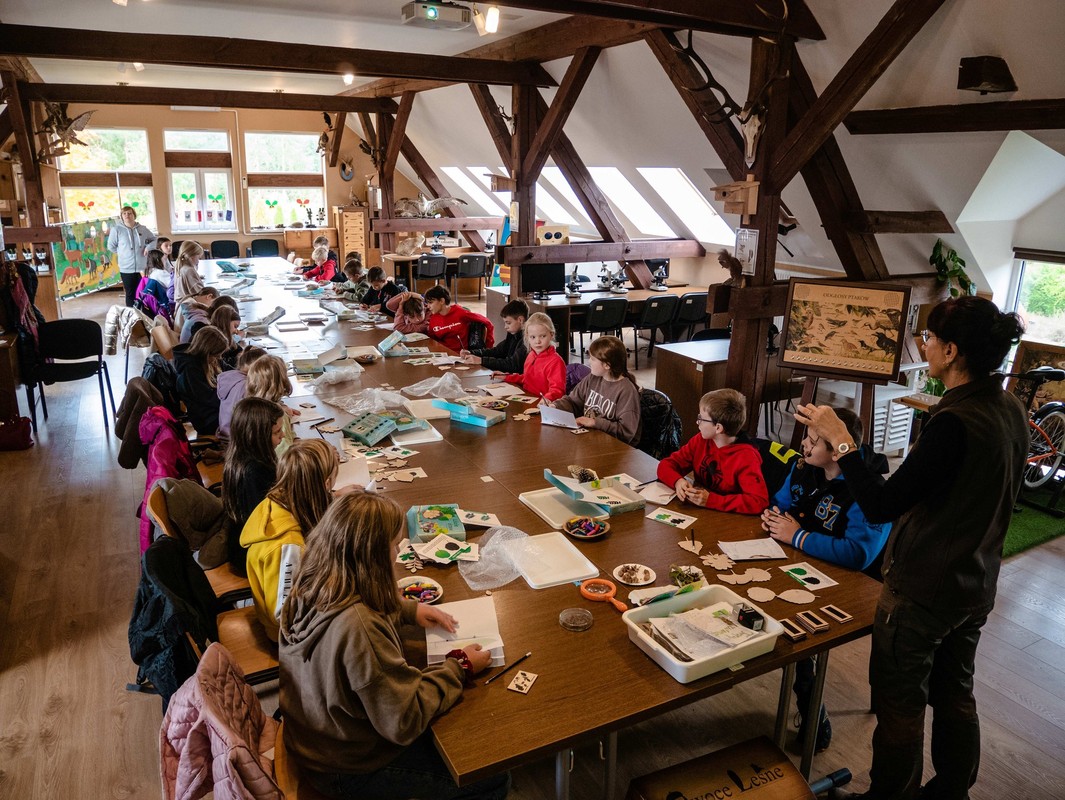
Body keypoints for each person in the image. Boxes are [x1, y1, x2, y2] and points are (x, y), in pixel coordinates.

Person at [803, 296, 1028, 800]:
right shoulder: (1009, 407)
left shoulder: (953, 422)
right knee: (955, 696)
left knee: (899, 707)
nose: (922, 345)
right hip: (974, 582)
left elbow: (881, 505)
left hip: (924, 589)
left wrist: (841, 439)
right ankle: (951, 791)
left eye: (928, 338)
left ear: (951, 351)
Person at [279, 491, 509, 800]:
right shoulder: (359, 629)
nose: (398, 551)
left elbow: (360, 601)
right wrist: (460, 666)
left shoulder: (313, 580)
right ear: (372, 556)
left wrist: (408, 610)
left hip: (316, 740)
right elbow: (404, 720)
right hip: (348, 768)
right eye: (394, 544)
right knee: (492, 776)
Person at [760, 408, 891, 754]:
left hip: (852, 584)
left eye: (813, 440)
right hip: (803, 563)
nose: (803, 444)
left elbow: (858, 555)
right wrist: (773, 518)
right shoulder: (804, 467)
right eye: (807, 437)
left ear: (837, 452)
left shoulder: (870, 490)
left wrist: (796, 536)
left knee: (797, 630)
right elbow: (781, 502)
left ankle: (812, 712)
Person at [241, 439, 350, 642]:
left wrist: (333, 498)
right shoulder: (289, 546)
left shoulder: (278, 501)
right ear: (326, 483)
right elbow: (283, 616)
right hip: (287, 638)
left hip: (299, 616)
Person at [656, 388, 768, 514]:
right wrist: (677, 481)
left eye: (701, 418)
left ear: (718, 428)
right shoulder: (701, 440)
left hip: (727, 517)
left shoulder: (746, 457)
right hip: (701, 511)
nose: (697, 422)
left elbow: (759, 501)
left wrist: (711, 500)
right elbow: (665, 465)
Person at [221, 396, 284, 575]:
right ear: (258, 436)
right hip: (253, 555)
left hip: (244, 543)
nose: (283, 436)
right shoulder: (255, 471)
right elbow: (273, 518)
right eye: (277, 432)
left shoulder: (241, 457)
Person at [548, 335, 641, 444]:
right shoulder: (592, 378)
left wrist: (595, 423)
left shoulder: (627, 391)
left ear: (607, 365)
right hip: (590, 439)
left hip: (614, 447)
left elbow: (626, 432)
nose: (589, 362)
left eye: (592, 359)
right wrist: (556, 406)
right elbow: (573, 401)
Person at [172, 325, 229, 436]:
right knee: (248, 420)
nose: (219, 358)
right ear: (207, 352)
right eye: (217, 355)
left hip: (215, 411)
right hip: (207, 421)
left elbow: (229, 370)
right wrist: (233, 399)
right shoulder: (190, 370)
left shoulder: (209, 359)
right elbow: (209, 398)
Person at [501, 311, 565, 401]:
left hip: (543, 405)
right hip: (527, 400)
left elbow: (557, 390)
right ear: (527, 337)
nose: (537, 341)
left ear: (551, 335)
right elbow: (527, 378)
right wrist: (507, 376)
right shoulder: (531, 355)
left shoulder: (556, 361)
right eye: (533, 337)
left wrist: (546, 399)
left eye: (542, 336)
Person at [246, 354, 298, 456]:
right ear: (282, 381)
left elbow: (289, 436)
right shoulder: (277, 415)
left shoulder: (251, 408)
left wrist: (296, 439)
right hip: (281, 462)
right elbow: (284, 453)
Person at [461, 298, 528, 374]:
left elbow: (512, 365)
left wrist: (481, 360)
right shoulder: (513, 333)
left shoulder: (527, 340)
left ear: (520, 320)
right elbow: (498, 351)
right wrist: (472, 352)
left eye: (508, 323)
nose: (505, 327)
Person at [107, 205, 156, 307]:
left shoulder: (143, 229)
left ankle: (142, 313)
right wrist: (123, 253)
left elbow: (154, 240)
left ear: (134, 215)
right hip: (126, 268)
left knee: (142, 292)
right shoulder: (116, 230)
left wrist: (148, 248)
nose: (127, 215)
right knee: (130, 293)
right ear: (121, 216)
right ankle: (131, 313)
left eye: (129, 213)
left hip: (142, 267)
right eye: (124, 213)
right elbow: (111, 246)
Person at [424, 284, 495, 352]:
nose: (428, 306)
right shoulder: (433, 318)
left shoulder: (460, 312)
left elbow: (488, 323)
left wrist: (488, 349)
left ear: (442, 301)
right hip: (441, 354)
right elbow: (432, 340)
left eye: (431, 303)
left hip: (460, 354)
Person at [216, 346, 267, 438]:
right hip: (237, 437)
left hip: (226, 431)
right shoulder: (246, 387)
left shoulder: (233, 379)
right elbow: (258, 417)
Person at [133, 249, 173, 325]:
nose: (165, 262)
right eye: (164, 260)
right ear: (158, 260)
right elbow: (172, 284)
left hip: (157, 303)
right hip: (166, 301)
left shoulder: (150, 271)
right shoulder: (160, 273)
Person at [172, 241, 206, 306]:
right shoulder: (189, 270)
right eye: (198, 257)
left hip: (182, 307)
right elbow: (201, 295)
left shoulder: (180, 267)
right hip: (190, 308)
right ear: (192, 256)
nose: (198, 261)